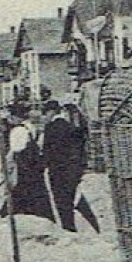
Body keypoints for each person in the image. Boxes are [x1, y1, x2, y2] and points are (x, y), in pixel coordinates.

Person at [41, 99, 89, 232]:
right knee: (71, 196)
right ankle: (81, 223)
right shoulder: (70, 126)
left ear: (51, 112)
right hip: (72, 167)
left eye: (46, 113)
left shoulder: (50, 128)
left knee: (61, 201)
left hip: (57, 170)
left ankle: (68, 226)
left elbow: (47, 151)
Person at [6, 103, 53, 222]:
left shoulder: (17, 130)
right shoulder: (32, 127)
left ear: (15, 116)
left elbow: (16, 150)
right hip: (34, 167)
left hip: (23, 167)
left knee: (21, 195)